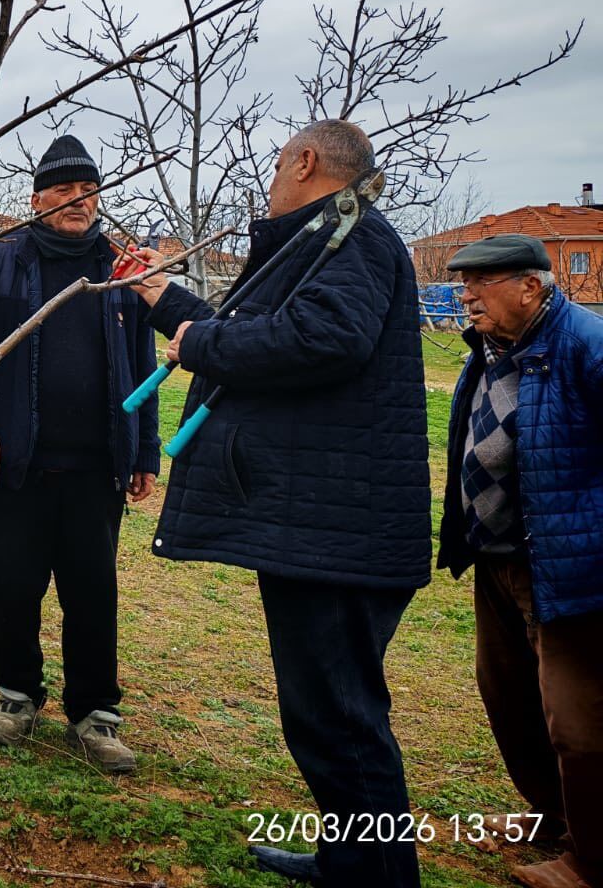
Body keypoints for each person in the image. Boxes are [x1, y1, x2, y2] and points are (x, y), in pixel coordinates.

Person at [129, 119, 429, 887]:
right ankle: (350, 860)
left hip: (338, 531)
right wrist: (166, 302)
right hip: (320, 522)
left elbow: (322, 338)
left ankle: (375, 878)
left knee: (342, 721)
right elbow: (259, 328)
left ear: (305, 161)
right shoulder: (326, 239)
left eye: (275, 165)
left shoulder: (356, 239)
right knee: (323, 715)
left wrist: (198, 344)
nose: (268, 182)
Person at [0, 133, 160, 772]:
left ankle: (95, 713)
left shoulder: (120, 267)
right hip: (14, 463)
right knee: (11, 585)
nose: (80, 201)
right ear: (37, 199)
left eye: (89, 190)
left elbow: (143, 363)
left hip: (97, 466)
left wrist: (144, 450)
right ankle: (17, 696)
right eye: (65, 191)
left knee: (93, 591)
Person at [437, 234, 603, 888]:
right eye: (463, 284)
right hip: (498, 558)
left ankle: (592, 861)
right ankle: (553, 817)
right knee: (509, 697)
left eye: (482, 283)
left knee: (579, 720)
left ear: (531, 286)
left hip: (569, 567)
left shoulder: (585, 345)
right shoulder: (493, 349)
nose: (466, 296)